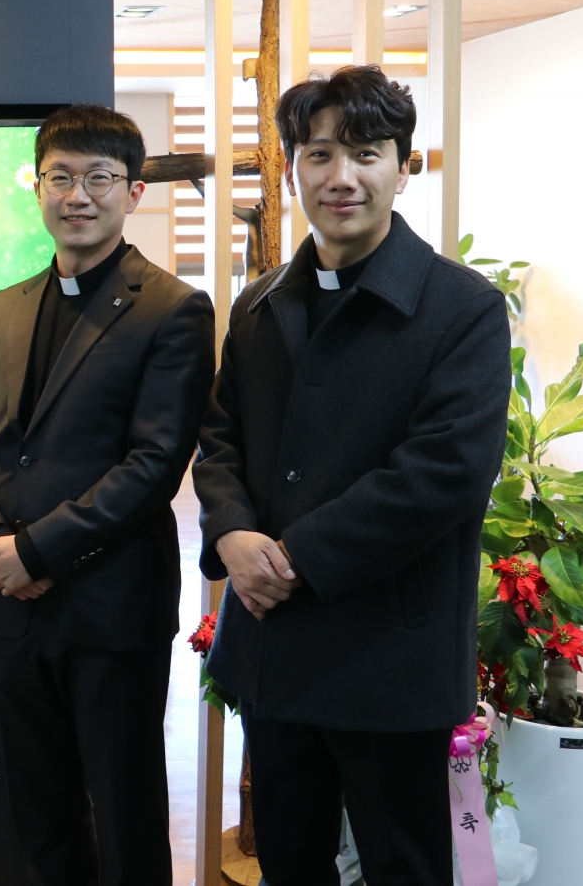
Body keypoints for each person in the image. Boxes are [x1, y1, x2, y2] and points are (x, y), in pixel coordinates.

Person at [195, 66, 512, 886]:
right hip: (275, 648)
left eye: (366, 153)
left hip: (390, 653)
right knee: (289, 860)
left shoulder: (462, 308)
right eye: (320, 153)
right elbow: (220, 437)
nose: (342, 176)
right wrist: (231, 533)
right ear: (293, 168)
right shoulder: (260, 303)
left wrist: (293, 557)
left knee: (405, 866)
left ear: (402, 169)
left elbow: (444, 472)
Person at [0, 105, 215, 886]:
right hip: (15, 603)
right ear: (36, 186)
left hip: (111, 605)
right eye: (60, 177)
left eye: (99, 178)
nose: (77, 195)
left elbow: (155, 463)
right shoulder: (7, 304)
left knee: (126, 814)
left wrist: (35, 550)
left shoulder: (173, 307)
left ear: (133, 192)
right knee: (40, 812)